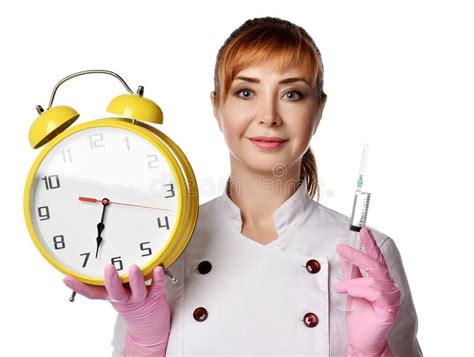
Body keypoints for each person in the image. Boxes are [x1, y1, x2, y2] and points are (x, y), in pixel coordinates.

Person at [63, 16, 423, 356]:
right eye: (246, 92)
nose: (268, 115)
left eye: (292, 94)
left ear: (319, 109)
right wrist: (145, 342)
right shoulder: (164, 245)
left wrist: (371, 352)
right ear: (216, 105)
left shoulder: (367, 253)